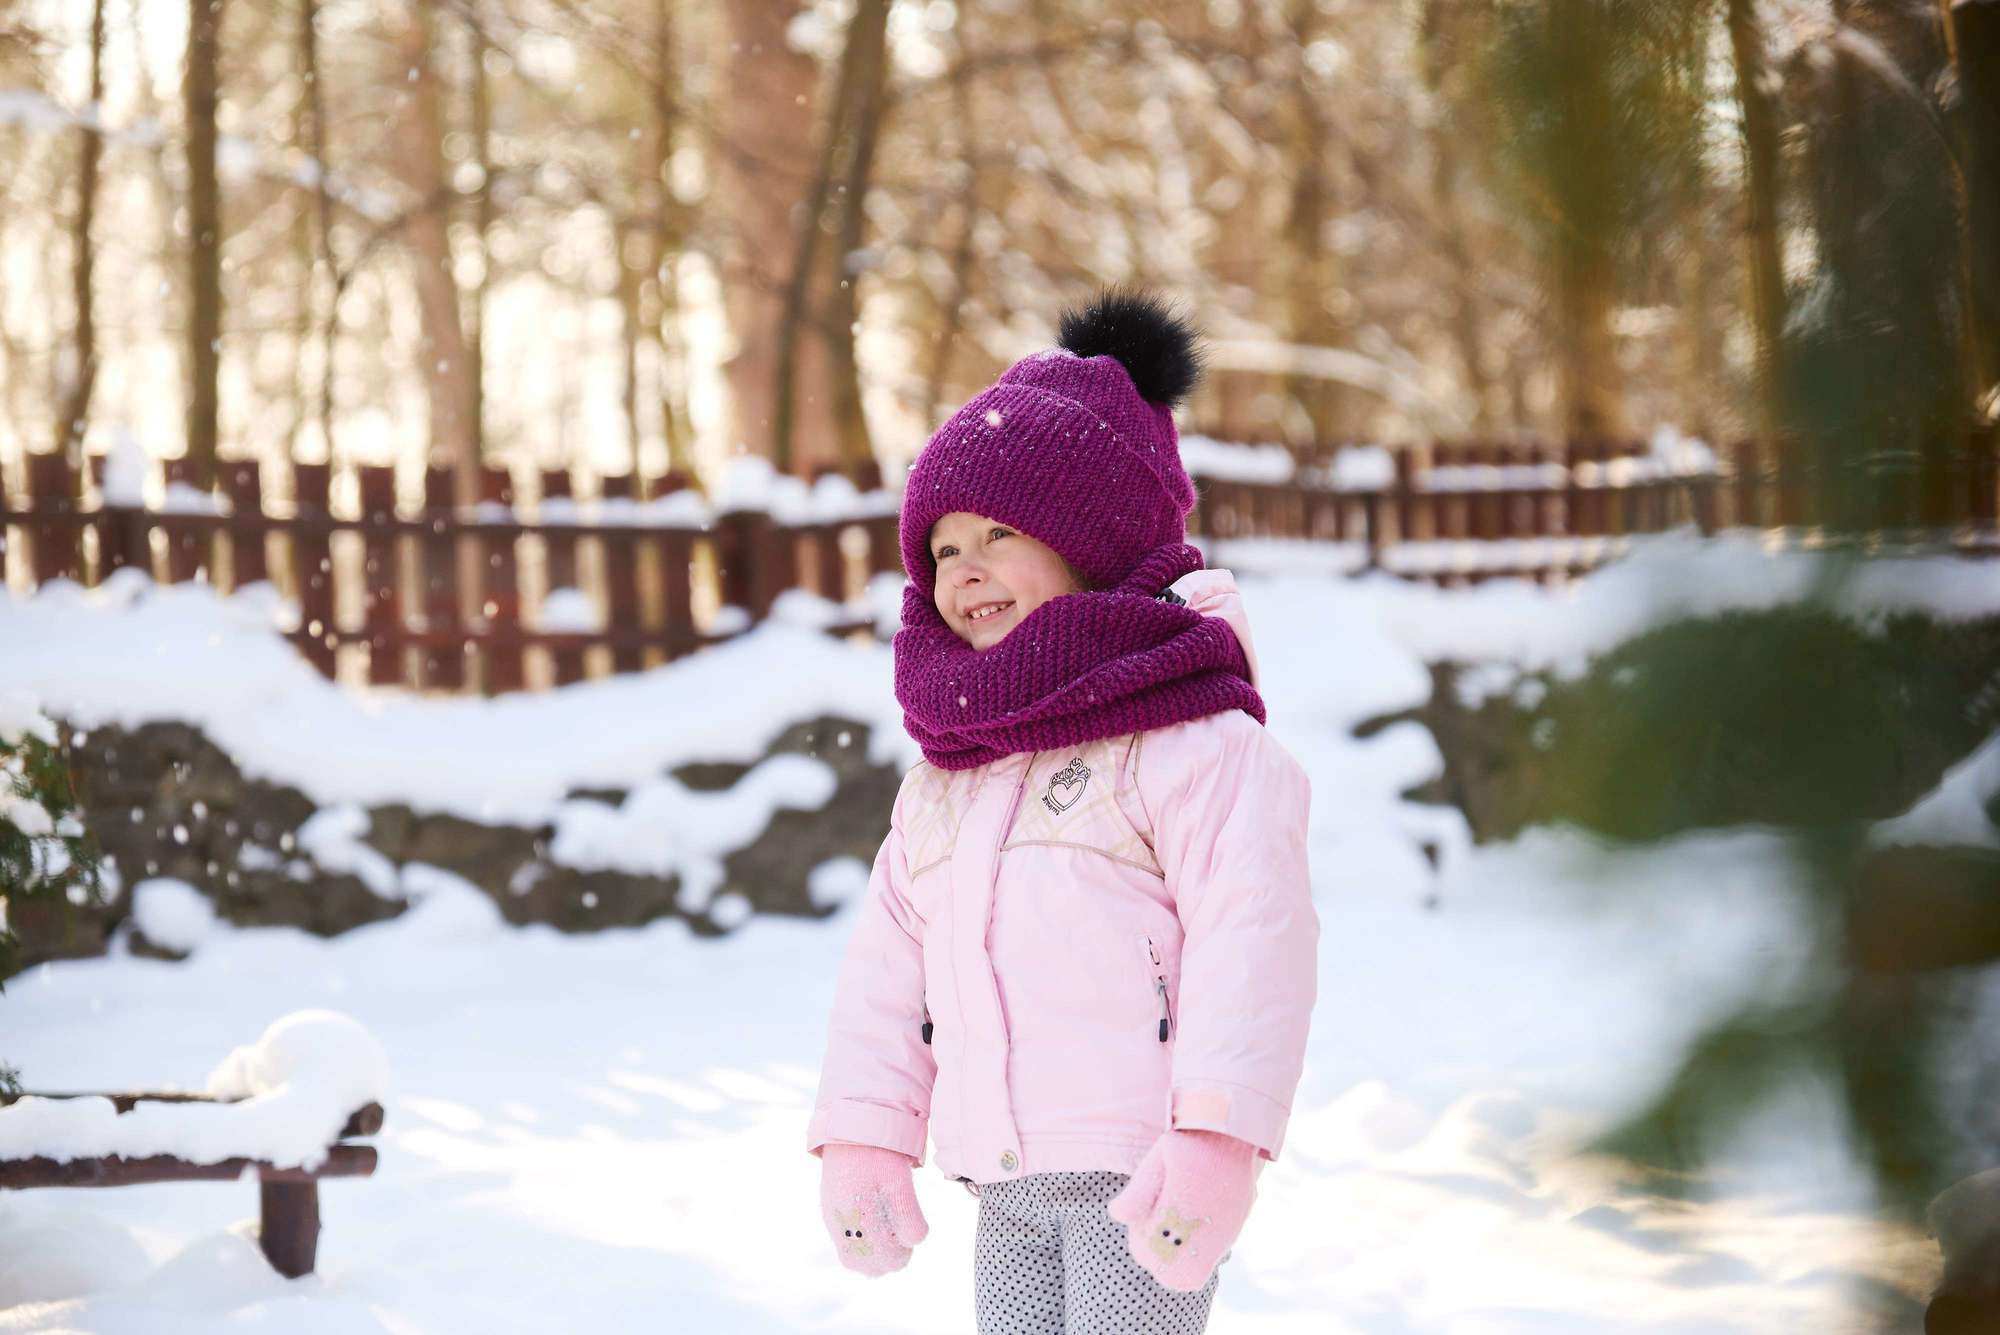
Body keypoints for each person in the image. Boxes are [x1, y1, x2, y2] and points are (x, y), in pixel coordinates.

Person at [806, 289, 1318, 1334]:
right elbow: (885, 975)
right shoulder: (949, 775)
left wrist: (1216, 1142)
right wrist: (866, 1136)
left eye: (1002, 532)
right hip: (1001, 1181)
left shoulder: (1191, 743)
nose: (967, 567)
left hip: (1142, 1170)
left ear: (1089, 545)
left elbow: (1253, 946)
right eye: (943, 547)